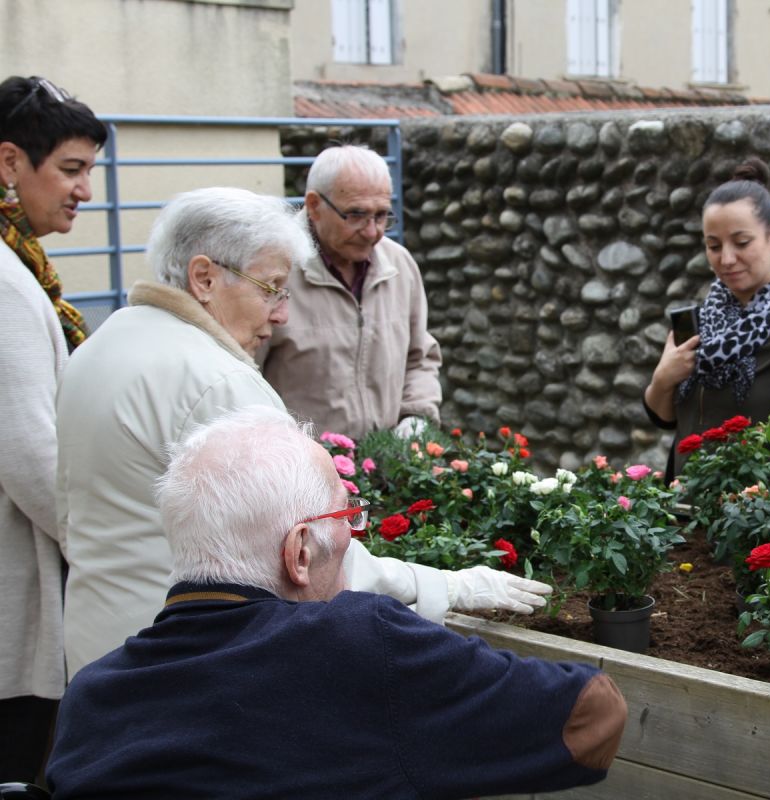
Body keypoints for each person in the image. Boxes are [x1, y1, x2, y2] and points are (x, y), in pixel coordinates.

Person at [56, 186, 549, 679]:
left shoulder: (103, 345)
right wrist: (447, 586)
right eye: (270, 287)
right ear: (204, 278)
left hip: (99, 651)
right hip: (183, 662)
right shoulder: (219, 382)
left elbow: (65, 508)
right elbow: (309, 549)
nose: (282, 313)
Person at [47, 406, 627, 799]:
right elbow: (594, 716)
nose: (355, 535)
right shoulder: (355, 645)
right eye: (347, 518)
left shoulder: (91, 696)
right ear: (299, 553)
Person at [0, 74, 106, 783]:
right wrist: (106, 546)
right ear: (10, 163)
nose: (86, 192)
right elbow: (30, 454)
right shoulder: (6, 283)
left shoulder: (20, 267)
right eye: (71, 170)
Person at [643, 158, 770, 482]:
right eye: (713, 246)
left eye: (741, 243)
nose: (726, 259)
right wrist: (664, 378)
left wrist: (737, 508)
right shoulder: (700, 322)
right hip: (680, 514)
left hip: (753, 517)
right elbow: (666, 418)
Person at [260, 143, 441, 440]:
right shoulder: (271, 272)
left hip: (386, 464)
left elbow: (420, 357)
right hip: (304, 472)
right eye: (356, 215)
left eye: (382, 215)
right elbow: (243, 377)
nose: (372, 231)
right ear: (315, 205)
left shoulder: (399, 265)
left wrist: (416, 415)